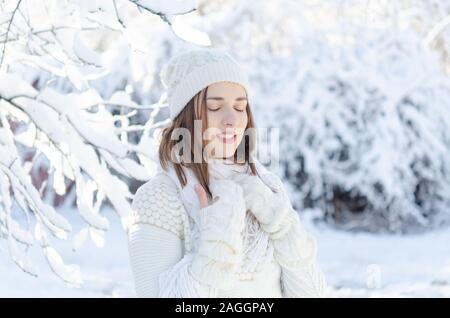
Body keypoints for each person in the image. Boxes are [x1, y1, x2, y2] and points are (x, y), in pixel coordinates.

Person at [126, 47, 328, 297]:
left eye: (240, 106)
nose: (232, 119)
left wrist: (283, 225)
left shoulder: (264, 186)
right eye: (215, 107)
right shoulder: (159, 198)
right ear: (187, 115)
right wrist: (217, 240)